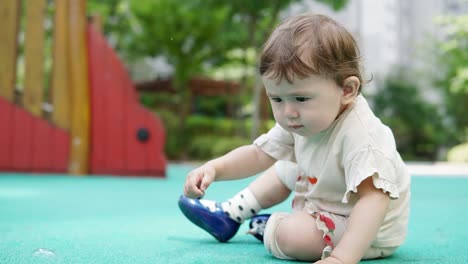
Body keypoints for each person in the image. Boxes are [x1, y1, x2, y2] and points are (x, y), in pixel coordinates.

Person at [178, 12, 410, 264]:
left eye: (301, 98)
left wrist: (343, 258)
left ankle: (273, 227)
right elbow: (258, 154)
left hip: (365, 230)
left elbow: (374, 200)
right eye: (277, 99)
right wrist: (214, 168)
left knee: (291, 235)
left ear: (346, 90)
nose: (288, 112)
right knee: (285, 166)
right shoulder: (306, 119)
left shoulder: (362, 138)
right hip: (323, 204)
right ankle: (231, 214)